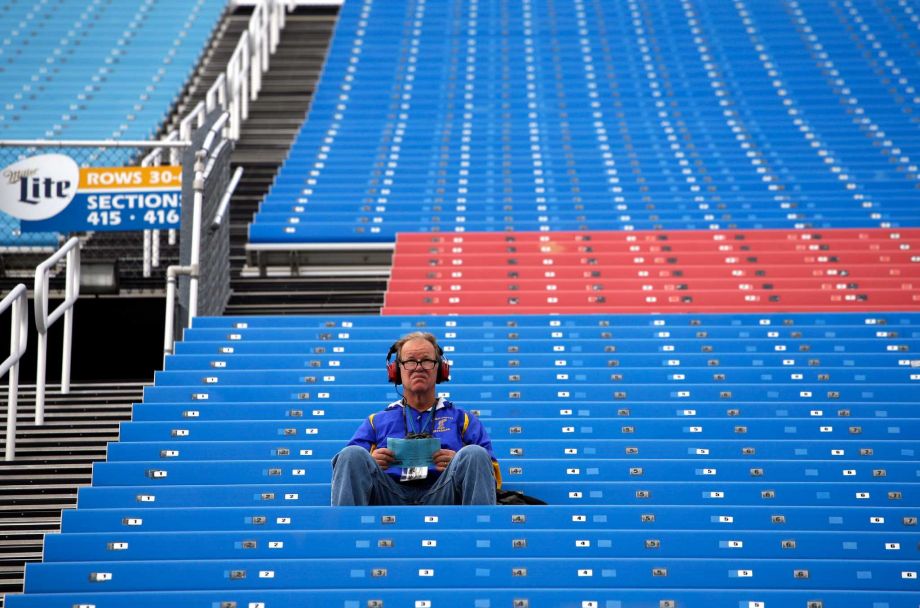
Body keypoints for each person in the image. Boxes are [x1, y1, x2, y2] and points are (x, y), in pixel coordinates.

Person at [331, 331, 500, 505]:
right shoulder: (376, 422)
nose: (419, 367)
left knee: (474, 454)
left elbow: (492, 474)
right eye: (410, 361)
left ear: (440, 369)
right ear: (396, 370)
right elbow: (347, 468)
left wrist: (459, 462)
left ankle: (478, 530)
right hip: (388, 494)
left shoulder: (463, 420)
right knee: (352, 454)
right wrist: (371, 461)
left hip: (445, 494)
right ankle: (347, 530)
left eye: (426, 361)